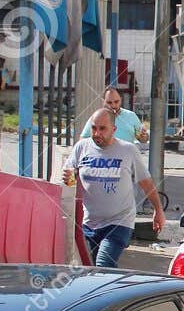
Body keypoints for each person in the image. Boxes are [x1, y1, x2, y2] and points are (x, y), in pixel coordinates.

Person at [64, 109, 165, 267]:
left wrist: (158, 210)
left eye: (102, 128)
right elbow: (70, 179)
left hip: (119, 221)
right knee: (92, 270)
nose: (97, 133)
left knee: (104, 264)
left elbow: (146, 182)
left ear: (114, 129)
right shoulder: (82, 148)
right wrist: (70, 178)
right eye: (94, 128)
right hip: (90, 223)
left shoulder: (128, 150)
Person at [81, 87, 147, 143]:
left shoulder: (131, 116)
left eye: (116, 102)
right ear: (103, 102)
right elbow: (83, 139)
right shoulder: (97, 117)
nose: (113, 105)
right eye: (109, 102)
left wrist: (144, 136)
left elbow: (143, 139)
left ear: (121, 99)